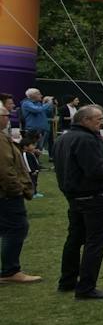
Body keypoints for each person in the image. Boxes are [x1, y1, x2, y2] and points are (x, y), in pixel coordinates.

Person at [55, 103, 103, 301]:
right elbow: (94, 171)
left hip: (74, 196)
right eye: (98, 119)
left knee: (74, 239)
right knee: (95, 242)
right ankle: (86, 287)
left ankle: (67, 281)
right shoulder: (86, 140)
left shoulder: (64, 138)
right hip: (93, 197)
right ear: (85, 120)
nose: (102, 122)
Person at [0, 93, 41, 285]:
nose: (9, 116)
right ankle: (10, 270)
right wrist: (17, 189)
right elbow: (6, 169)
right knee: (16, 227)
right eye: (6, 114)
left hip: (6, 192)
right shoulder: (1, 140)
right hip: (7, 194)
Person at [20, 89, 52, 156]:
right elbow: (37, 110)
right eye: (39, 94)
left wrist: (45, 103)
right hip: (33, 130)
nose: (41, 95)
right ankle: (30, 161)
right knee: (31, 147)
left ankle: (37, 162)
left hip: (42, 129)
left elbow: (46, 112)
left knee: (39, 148)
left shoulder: (38, 103)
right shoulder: (26, 103)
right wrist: (48, 104)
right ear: (32, 95)